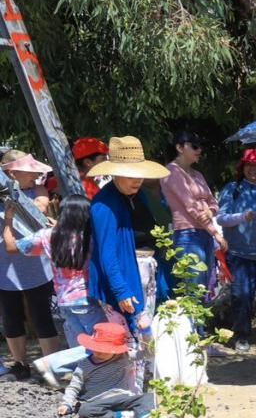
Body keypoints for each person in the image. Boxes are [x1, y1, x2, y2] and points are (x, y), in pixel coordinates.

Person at [5, 195, 118, 386]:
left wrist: (9, 220)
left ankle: (82, 384)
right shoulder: (90, 236)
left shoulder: (48, 235)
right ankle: (52, 363)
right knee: (101, 344)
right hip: (86, 299)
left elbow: (12, 247)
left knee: (81, 345)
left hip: (64, 301)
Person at [86, 137, 165, 341]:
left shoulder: (138, 196)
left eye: (139, 174)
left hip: (144, 271)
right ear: (115, 173)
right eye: (131, 174)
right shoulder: (104, 205)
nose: (137, 179)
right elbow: (107, 254)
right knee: (127, 339)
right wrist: (121, 290)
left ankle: (143, 374)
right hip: (123, 278)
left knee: (143, 335)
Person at [1, 152, 62, 378]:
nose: (37, 174)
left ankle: (52, 367)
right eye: (31, 170)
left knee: (42, 314)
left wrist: (12, 195)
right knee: (10, 315)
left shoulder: (38, 190)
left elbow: (40, 210)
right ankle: (19, 364)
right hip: (4, 265)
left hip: (36, 263)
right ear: (12, 172)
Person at [217, 149, 256, 350]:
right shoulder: (233, 189)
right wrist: (242, 216)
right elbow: (220, 218)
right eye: (249, 165)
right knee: (241, 296)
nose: (253, 169)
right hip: (239, 254)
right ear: (243, 168)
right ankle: (241, 335)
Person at [161, 129, 226, 298]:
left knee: (205, 290)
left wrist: (210, 212)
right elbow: (191, 208)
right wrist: (217, 234)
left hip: (204, 234)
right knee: (194, 292)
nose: (199, 150)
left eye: (200, 146)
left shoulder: (197, 174)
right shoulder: (171, 171)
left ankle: (200, 326)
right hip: (187, 235)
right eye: (195, 146)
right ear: (180, 148)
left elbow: (214, 203)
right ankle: (193, 326)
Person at [56, 321, 155, 418]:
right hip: (97, 402)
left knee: (150, 397)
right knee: (84, 411)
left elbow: (149, 353)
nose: (99, 352)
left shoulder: (125, 356)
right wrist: (66, 403)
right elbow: (74, 386)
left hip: (122, 398)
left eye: (105, 350)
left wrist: (146, 332)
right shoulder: (85, 365)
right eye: (96, 347)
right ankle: (124, 416)